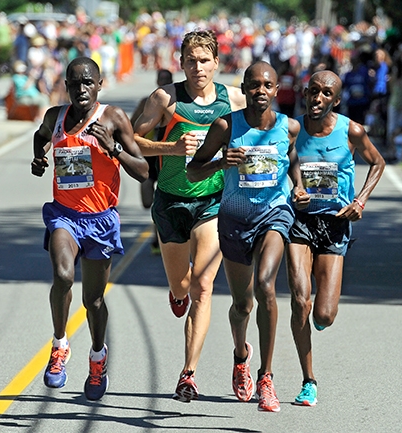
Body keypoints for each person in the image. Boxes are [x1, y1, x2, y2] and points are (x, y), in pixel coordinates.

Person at [186, 61, 310, 412]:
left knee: (266, 285)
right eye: (253, 85)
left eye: (266, 85)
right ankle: (241, 354)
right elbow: (194, 170)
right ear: (244, 88)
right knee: (242, 304)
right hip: (235, 219)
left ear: (275, 90)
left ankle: (266, 378)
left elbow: (292, 160)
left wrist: (298, 188)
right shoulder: (227, 126)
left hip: (275, 213)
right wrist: (220, 163)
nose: (260, 91)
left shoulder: (289, 127)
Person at [132, 30, 246, 403]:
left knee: (203, 286)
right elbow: (133, 140)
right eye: (191, 60)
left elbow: (267, 128)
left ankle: (188, 374)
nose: (198, 67)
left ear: (217, 62)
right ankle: (175, 293)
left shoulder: (233, 100)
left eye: (205, 60)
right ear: (181, 63)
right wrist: (172, 146)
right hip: (170, 203)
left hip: (212, 202)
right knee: (181, 286)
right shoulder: (166, 99)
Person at [31, 57, 148, 401]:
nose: (80, 89)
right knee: (63, 276)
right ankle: (60, 344)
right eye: (73, 83)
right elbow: (40, 139)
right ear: (65, 86)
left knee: (93, 300)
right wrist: (40, 158)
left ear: (99, 85)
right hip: (64, 215)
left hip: (100, 219)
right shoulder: (55, 117)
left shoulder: (113, 118)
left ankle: (98, 355)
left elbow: (142, 170)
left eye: (87, 82)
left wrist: (113, 149)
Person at [286, 70, 385, 406]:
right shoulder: (292, 129)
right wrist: (294, 190)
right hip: (299, 222)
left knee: (324, 315)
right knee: (301, 300)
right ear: (305, 92)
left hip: (335, 223)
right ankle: (308, 380)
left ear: (337, 100)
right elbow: (279, 167)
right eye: (313, 91)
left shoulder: (351, 131)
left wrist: (360, 201)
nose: (317, 99)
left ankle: (317, 320)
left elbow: (377, 162)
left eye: (325, 94)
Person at [129, 68, 174, 254]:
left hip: (168, 157)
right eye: (161, 79)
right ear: (156, 81)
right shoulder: (146, 103)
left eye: (167, 79)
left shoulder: (177, 104)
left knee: (161, 201)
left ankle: (159, 238)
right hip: (149, 158)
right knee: (148, 202)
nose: (163, 82)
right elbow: (130, 129)